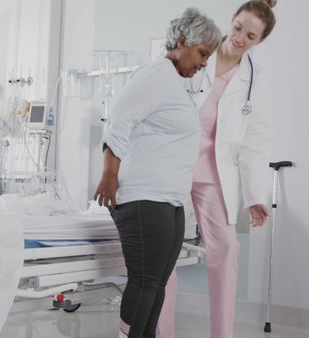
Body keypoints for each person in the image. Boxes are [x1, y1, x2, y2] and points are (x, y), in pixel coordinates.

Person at [93, 8, 222, 338]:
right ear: (182, 42)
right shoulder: (155, 76)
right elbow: (119, 121)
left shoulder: (175, 84)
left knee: (157, 282)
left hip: (167, 200)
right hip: (142, 197)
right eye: (202, 53)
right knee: (146, 280)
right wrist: (109, 175)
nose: (204, 62)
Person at [156, 1, 277, 338]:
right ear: (232, 20)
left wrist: (255, 196)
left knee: (226, 251)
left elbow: (256, 140)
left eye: (250, 36)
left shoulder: (256, 80)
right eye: (238, 27)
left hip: (215, 175)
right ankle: (161, 333)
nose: (240, 37)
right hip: (174, 166)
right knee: (165, 252)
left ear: (260, 41)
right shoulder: (199, 50)